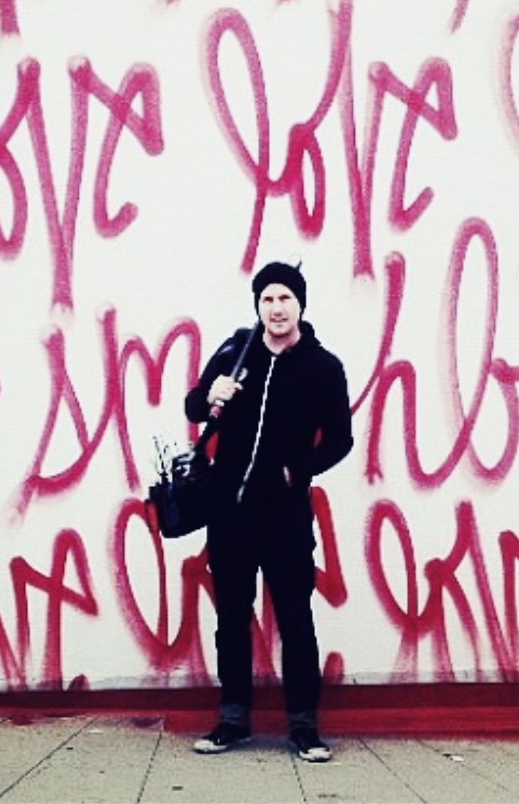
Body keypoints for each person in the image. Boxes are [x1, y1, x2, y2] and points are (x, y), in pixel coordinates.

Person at [184, 260, 353, 762]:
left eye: (284, 298)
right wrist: (208, 394)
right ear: (257, 306)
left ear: (300, 304)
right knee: (232, 616)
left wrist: (295, 470)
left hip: (285, 515)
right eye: (267, 299)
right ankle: (232, 718)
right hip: (229, 511)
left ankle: (303, 725)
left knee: (296, 617)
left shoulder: (324, 367)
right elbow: (196, 407)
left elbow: (341, 441)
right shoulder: (237, 352)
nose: (276, 308)